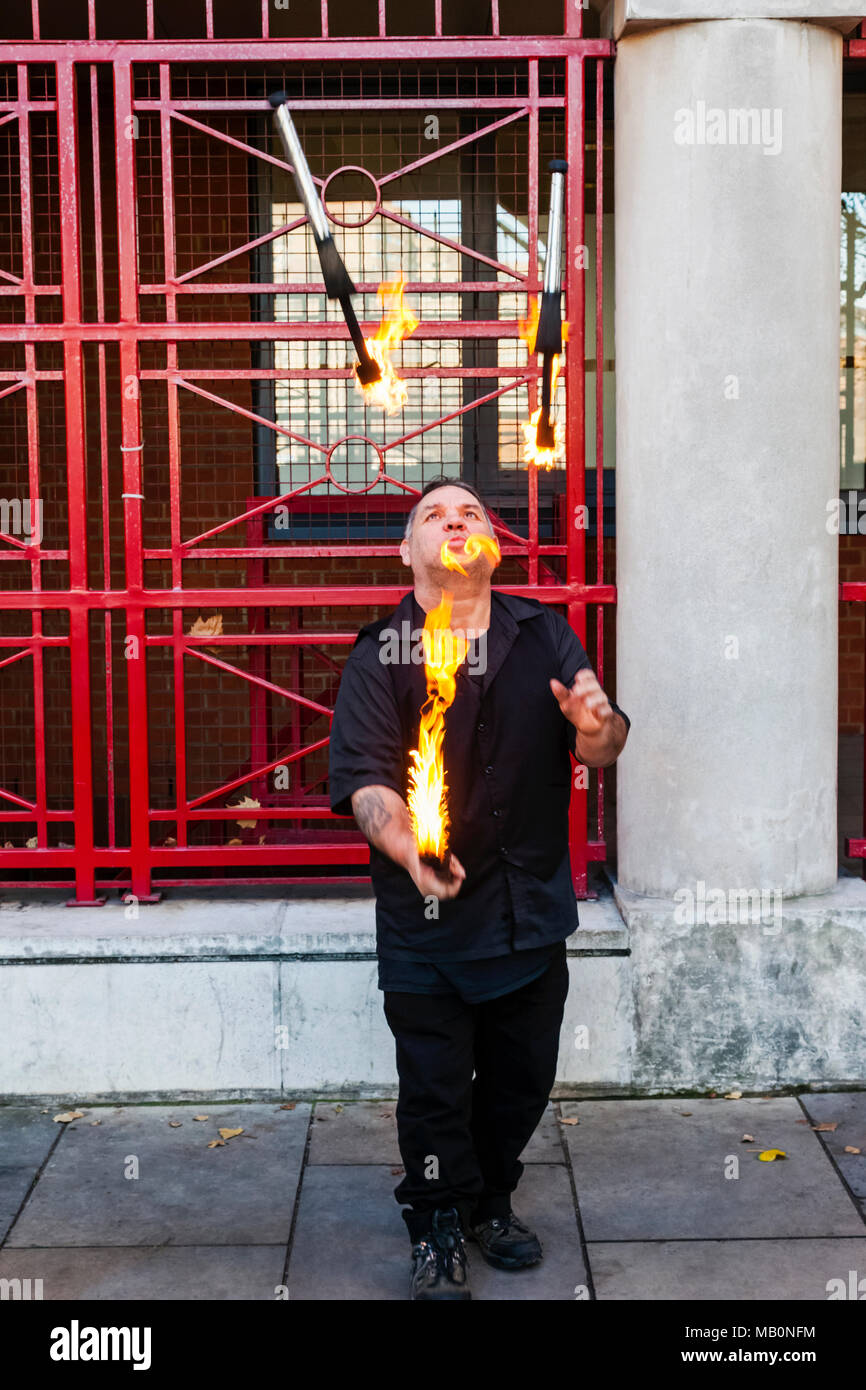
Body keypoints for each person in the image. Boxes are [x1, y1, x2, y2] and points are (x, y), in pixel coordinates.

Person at [328, 476, 630, 1300]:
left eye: (470, 513)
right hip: (426, 921)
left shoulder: (545, 634)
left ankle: (490, 1198)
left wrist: (599, 730)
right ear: (407, 552)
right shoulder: (379, 653)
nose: (455, 521)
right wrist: (405, 845)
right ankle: (435, 1224)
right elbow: (367, 785)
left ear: (493, 544)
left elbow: (603, 742)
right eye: (435, 515)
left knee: (520, 1081)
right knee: (432, 1092)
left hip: (529, 908)